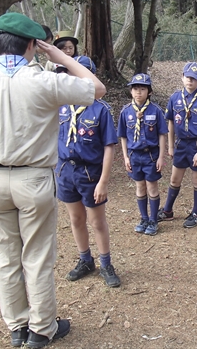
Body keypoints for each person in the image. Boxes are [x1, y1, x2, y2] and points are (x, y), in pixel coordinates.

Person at [0, 13, 106, 348]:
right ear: (32, 45)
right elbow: (97, 89)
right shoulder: (44, 80)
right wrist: (61, 55)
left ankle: (17, 326)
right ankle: (41, 329)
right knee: (36, 256)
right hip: (34, 180)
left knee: (6, 257)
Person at [55, 56, 121, 288]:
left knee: (97, 220)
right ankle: (85, 259)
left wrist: (103, 181)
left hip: (90, 172)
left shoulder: (100, 109)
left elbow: (109, 147)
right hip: (65, 170)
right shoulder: (61, 107)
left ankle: (106, 263)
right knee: (76, 218)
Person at [158, 62, 197, 228]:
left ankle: (196, 212)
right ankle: (168, 210)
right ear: (182, 77)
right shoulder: (175, 98)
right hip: (181, 144)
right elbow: (170, 123)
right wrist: (170, 146)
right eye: (188, 77)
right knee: (175, 179)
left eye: (194, 79)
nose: (190, 81)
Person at [118, 73, 168, 235]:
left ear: (149, 92)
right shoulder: (126, 112)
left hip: (151, 156)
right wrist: (125, 157)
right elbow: (123, 137)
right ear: (131, 92)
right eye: (135, 89)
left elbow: (162, 134)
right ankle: (144, 217)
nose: (139, 92)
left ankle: (154, 219)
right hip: (134, 156)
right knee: (140, 187)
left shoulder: (156, 111)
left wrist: (161, 156)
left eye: (142, 89)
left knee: (152, 187)